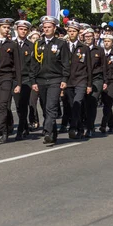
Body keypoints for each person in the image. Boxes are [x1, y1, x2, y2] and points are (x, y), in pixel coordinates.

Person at [32, 16, 69, 145]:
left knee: (51, 107)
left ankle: (47, 131)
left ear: (54, 28)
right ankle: (52, 134)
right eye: (45, 27)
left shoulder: (61, 44)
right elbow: (34, 64)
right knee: (44, 107)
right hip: (41, 80)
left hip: (55, 79)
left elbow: (65, 63)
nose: (46, 29)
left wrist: (64, 79)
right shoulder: (38, 44)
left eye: (49, 27)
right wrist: (33, 81)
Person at [64, 20, 92, 140]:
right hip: (68, 81)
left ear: (78, 33)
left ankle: (73, 127)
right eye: (70, 31)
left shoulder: (84, 48)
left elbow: (89, 67)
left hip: (81, 79)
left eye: (74, 31)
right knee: (72, 105)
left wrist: (89, 84)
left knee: (77, 102)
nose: (72, 33)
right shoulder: (63, 46)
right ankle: (80, 128)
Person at [12, 20, 34, 140]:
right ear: (17, 30)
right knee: (18, 105)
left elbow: (33, 65)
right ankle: (25, 126)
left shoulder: (30, 46)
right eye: (21, 29)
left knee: (23, 104)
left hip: (26, 79)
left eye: (25, 29)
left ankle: (20, 130)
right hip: (14, 78)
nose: (23, 31)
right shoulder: (11, 44)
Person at [83, 27, 103, 137]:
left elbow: (103, 66)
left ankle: (90, 127)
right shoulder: (81, 49)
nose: (88, 38)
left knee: (92, 102)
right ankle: (85, 124)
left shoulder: (99, 50)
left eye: (90, 36)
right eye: (86, 37)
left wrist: (105, 81)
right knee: (84, 104)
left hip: (97, 79)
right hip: (84, 79)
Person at [100, 33, 113, 133]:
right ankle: (111, 125)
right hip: (102, 80)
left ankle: (103, 124)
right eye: (105, 41)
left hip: (112, 81)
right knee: (106, 103)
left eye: (108, 41)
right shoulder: (100, 54)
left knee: (108, 102)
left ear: (112, 43)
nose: (106, 43)